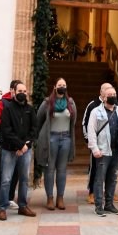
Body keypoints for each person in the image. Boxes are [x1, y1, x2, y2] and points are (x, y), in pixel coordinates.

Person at [87, 86, 118, 217]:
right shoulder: (96, 112)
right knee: (99, 179)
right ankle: (98, 206)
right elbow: (91, 131)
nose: (113, 96)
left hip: (117, 151)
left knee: (112, 179)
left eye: (114, 94)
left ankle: (109, 204)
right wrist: (94, 148)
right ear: (104, 97)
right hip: (102, 152)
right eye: (110, 95)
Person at [36, 77, 77, 210]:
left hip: (65, 139)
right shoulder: (47, 103)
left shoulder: (70, 102)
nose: (62, 87)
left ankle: (60, 198)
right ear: (54, 87)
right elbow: (39, 120)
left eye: (64, 85)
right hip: (51, 139)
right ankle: (49, 198)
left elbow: (73, 121)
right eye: (59, 85)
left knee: (62, 169)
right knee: (49, 169)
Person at [0, 82, 37, 219]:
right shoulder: (7, 109)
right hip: (9, 149)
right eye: (20, 91)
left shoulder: (30, 109)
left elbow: (34, 130)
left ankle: (22, 206)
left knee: (24, 179)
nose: (22, 93)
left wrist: (25, 145)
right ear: (14, 92)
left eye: (24, 91)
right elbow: (6, 131)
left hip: (25, 150)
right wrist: (19, 145)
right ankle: (3, 208)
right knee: (6, 179)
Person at [0, 80, 22, 213]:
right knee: (3, 172)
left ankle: (9, 198)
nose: (20, 93)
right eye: (17, 90)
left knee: (16, 172)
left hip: (19, 143)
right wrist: (8, 122)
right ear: (12, 90)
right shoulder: (3, 102)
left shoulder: (22, 103)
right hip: (6, 142)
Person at [83, 82, 112, 204]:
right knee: (94, 168)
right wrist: (88, 140)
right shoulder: (92, 105)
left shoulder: (115, 104)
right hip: (96, 144)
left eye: (111, 90)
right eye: (106, 89)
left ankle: (109, 192)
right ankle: (92, 192)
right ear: (101, 92)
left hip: (111, 144)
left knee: (111, 169)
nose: (109, 92)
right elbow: (85, 123)